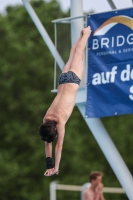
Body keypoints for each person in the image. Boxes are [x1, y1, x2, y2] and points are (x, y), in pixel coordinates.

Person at [39, 26, 92, 176]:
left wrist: (56, 167)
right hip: (62, 80)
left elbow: (58, 146)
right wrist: (48, 165)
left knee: (79, 54)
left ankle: (86, 34)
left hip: (73, 80)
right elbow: (48, 142)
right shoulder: (46, 118)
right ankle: (81, 35)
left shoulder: (60, 121)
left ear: (55, 130)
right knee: (72, 55)